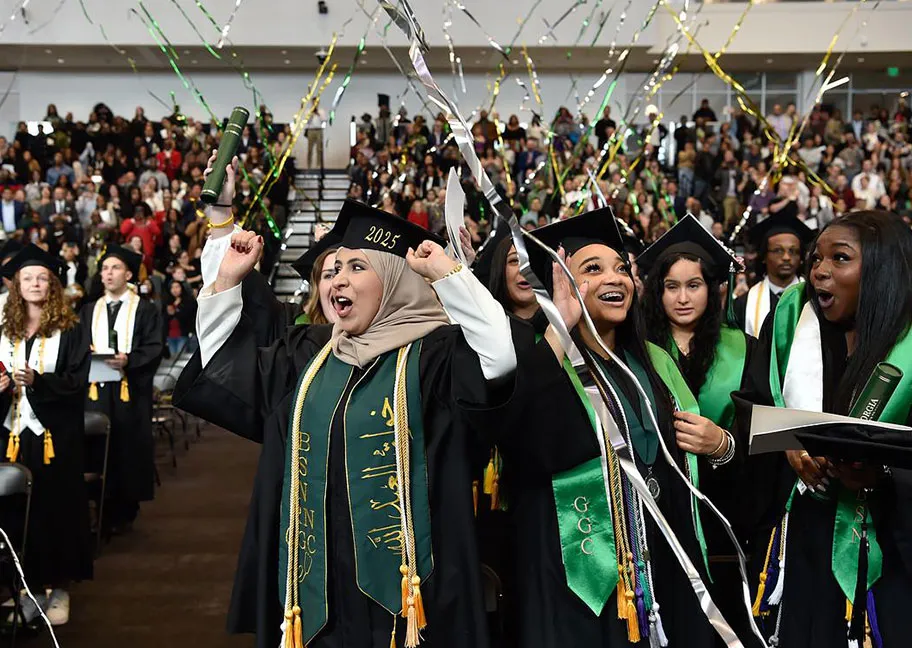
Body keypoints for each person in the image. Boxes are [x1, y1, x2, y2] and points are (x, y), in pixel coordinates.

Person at [174, 154, 518, 648]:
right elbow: (225, 364)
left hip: (415, 592)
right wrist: (226, 278)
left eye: (357, 266)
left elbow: (499, 358)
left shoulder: (436, 355)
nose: (336, 279)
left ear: (396, 281)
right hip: (317, 588)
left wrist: (448, 274)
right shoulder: (308, 354)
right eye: (331, 269)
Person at [496, 209, 726, 648]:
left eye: (622, 268)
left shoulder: (652, 361)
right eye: (593, 269)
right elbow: (520, 438)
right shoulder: (541, 356)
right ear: (562, 284)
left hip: (657, 553)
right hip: (578, 557)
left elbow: (684, 459)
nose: (615, 278)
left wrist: (721, 445)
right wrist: (559, 330)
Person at [736, 211, 912, 646]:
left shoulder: (905, 341)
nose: (819, 271)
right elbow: (752, 405)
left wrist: (884, 474)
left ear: (881, 269)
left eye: (840, 258)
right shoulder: (791, 321)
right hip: (806, 529)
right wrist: (790, 446)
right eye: (816, 259)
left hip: (890, 540)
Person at [0, 244, 91, 626]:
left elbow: (77, 381)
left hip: (54, 435)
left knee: (56, 508)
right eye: (27, 278)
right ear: (16, 286)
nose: (34, 284)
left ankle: (60, 587)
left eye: (41, 278)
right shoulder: (6, 329)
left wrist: (39, 381)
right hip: (12, 432)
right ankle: (27, 589)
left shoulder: (69, 328)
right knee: (18, 514)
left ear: (52, 283)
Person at [80, 245, 163, 533]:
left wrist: (130, 360)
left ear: (128, 273)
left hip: (130, 391)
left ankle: (125, 509)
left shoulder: (145, 308)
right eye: (104, 268)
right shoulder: (89, 310)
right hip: (97, 391)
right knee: (99, 447)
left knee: (126, 447)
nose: (108, 273)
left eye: (115, 268)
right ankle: (100, 506)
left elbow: (154, 347)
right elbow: (77, 348)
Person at [733, 212, 813, 337]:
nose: (786, 257)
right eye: (778, 250)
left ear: (801, 257)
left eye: (793, 251)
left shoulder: (814, 299)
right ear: (764, 256)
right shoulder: (742, 305)